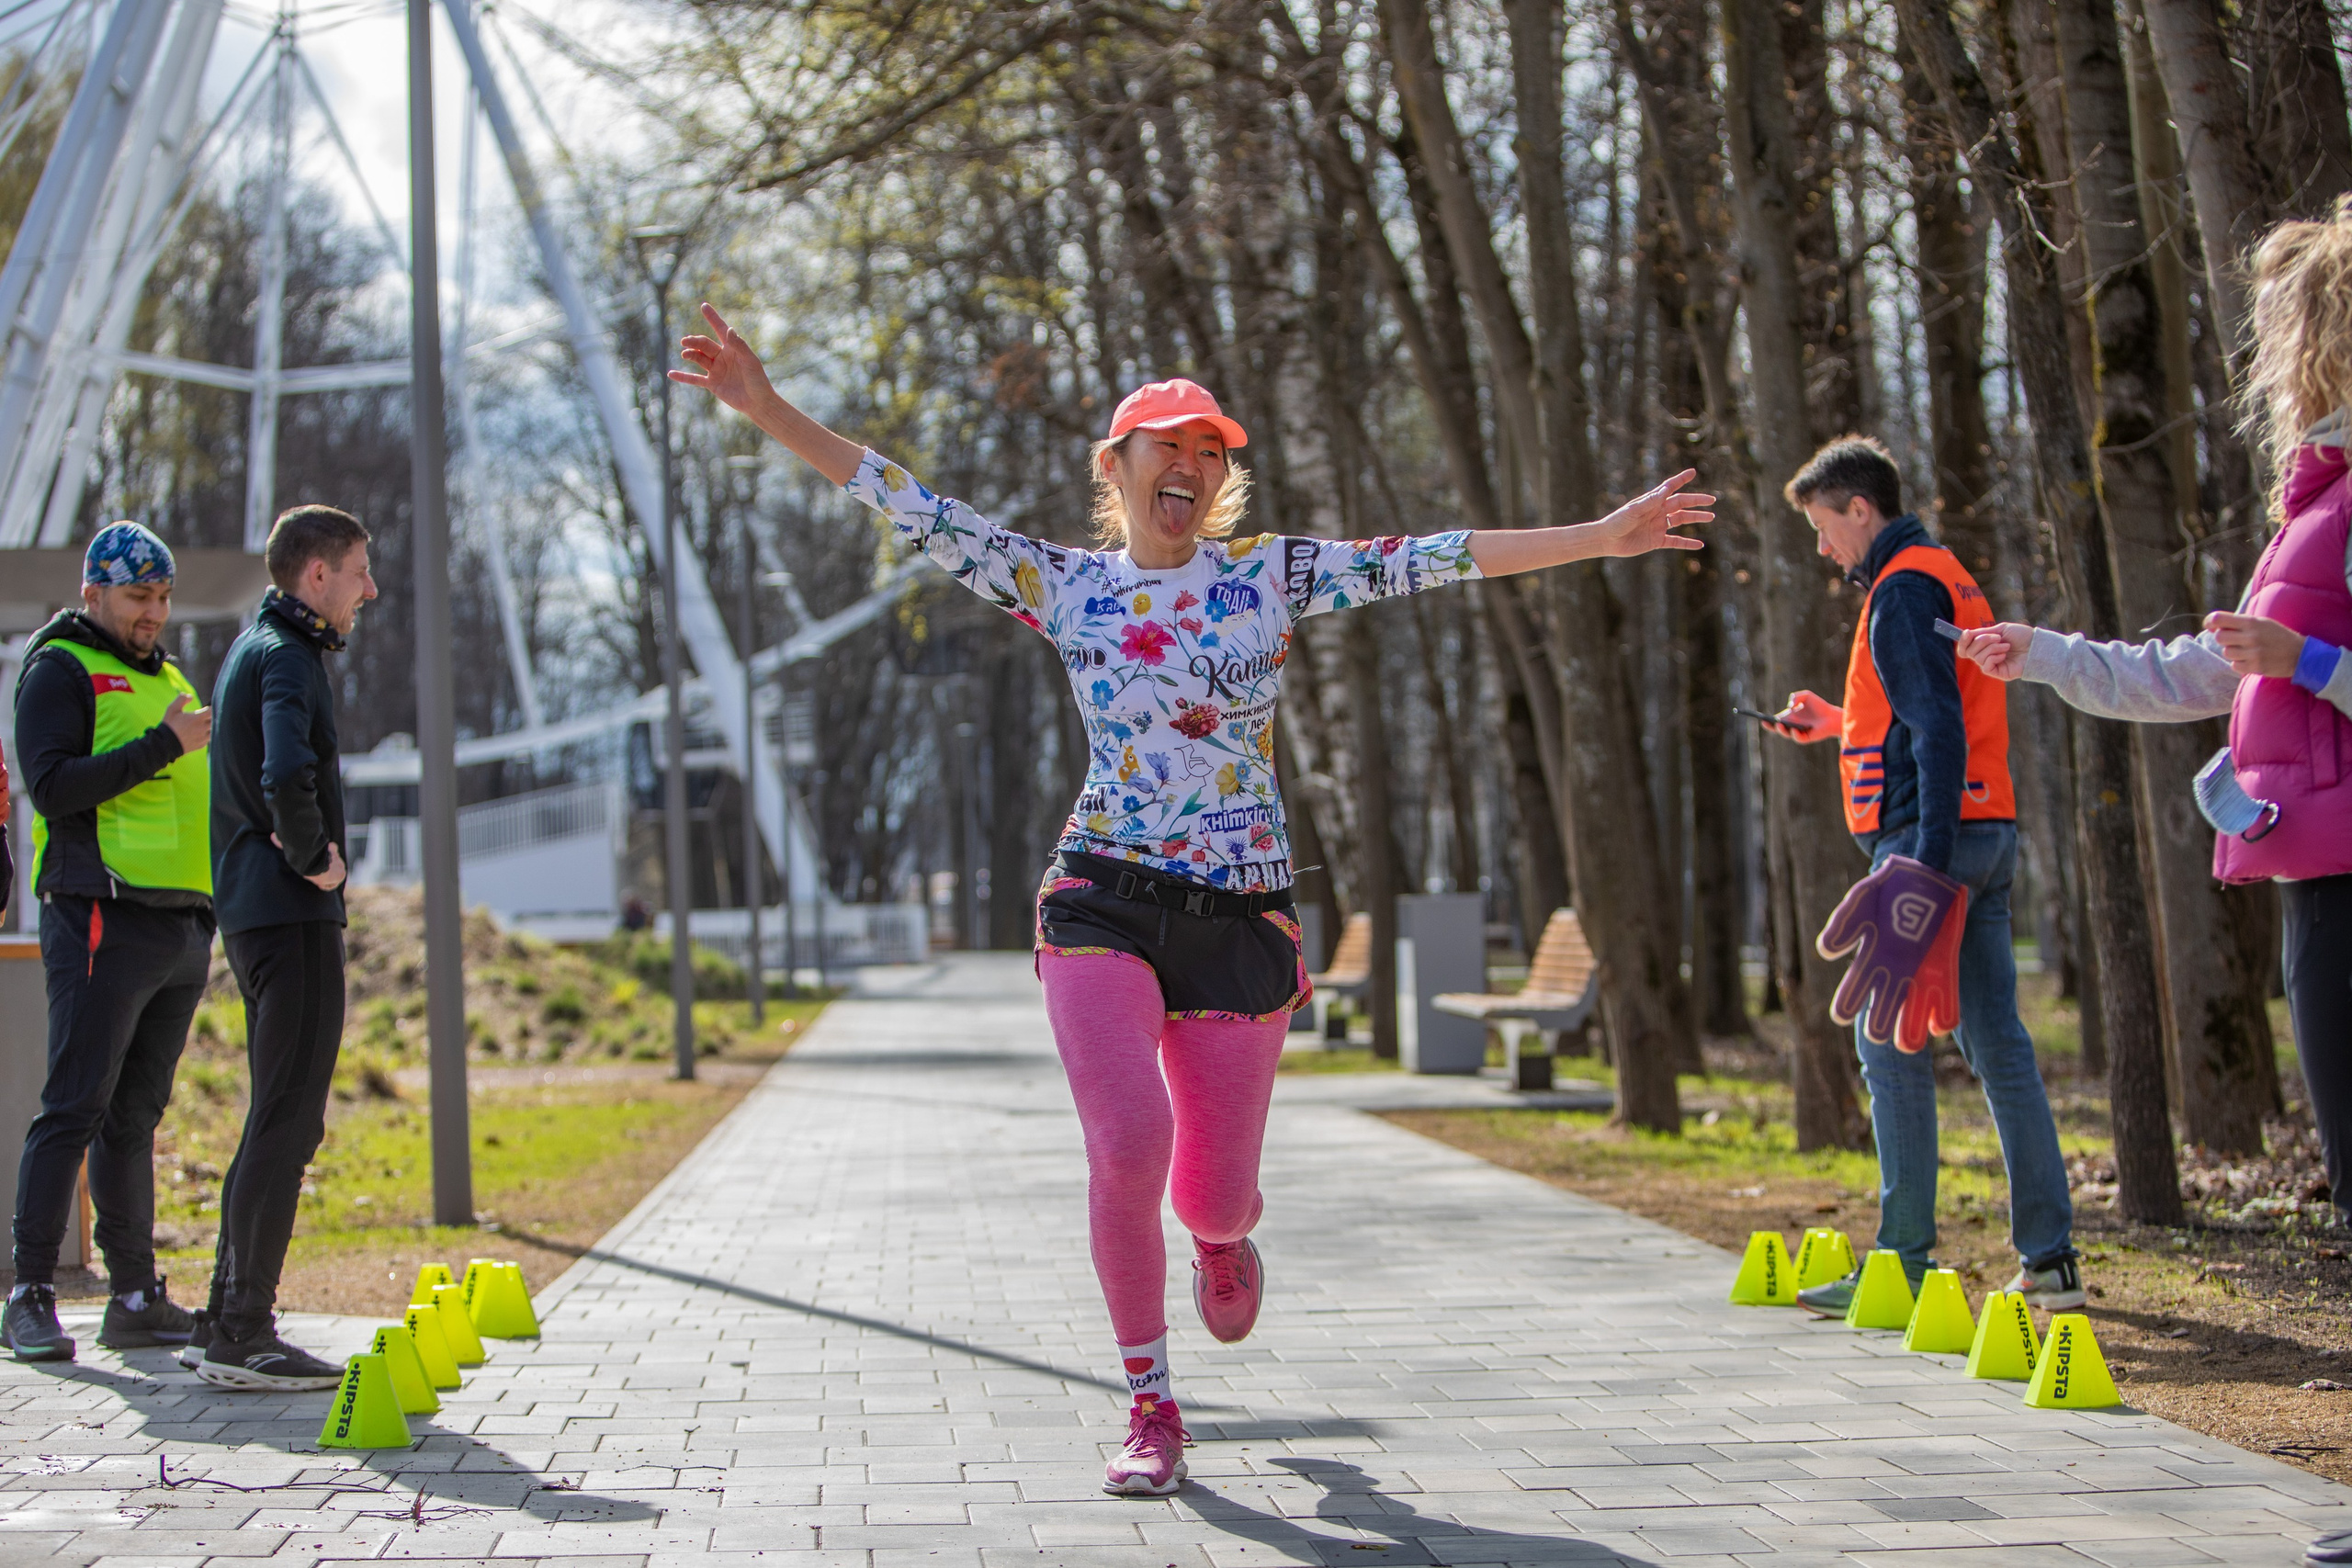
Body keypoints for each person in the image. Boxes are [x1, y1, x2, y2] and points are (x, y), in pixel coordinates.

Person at [669, 302, 1712, 1496]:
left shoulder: (1273, 577)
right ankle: (1152, 1402)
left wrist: (1605, 534)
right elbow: (906, 499)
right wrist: (768, 410)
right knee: (1127, 1142)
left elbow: (1437, 554)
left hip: (1239, 917)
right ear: (1114, 469)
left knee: (1207, 1189)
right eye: (1166, 443)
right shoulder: (1062, 585)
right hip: (1101, 899)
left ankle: (1223, 1234)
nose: (1193, 462)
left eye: (1210, 449)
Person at [1762, 436, 2083, 1317]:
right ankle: (2050, 1261)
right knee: (1998, 1046)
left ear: (1859, 509)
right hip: (1988, 829)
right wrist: (1839, 723)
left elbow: (1937, 727)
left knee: (1887, 1046)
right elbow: (1927, 712)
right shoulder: (1943, 572)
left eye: (1825, 527)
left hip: (1929, 841)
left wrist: (1922, 872)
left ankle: (1901, 1265)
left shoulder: (1901, 588)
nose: (1825, 549)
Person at [3, 522, 211, 1360]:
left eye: (162, 597)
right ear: (93, 592)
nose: (154, 613)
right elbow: (49, 786)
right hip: (100, 912)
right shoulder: (61, 667)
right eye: (138, 597)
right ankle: (28, 1292)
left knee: (134, 1116)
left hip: (179, 923)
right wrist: (163, 744)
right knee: (74, 1104)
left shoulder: (168, 674)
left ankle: (133, 1293)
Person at [181, 505, 374, 1390]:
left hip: (256, 913)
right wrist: (318, 862)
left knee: (275, 1114)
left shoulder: (252, 650)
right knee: (290, 1116)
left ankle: (223, 1317)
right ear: (318, 574)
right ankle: (244, 1331)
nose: (369, 589)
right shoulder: (289, 658)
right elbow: (285, 770)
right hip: (288, 914)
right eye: (359, 570)